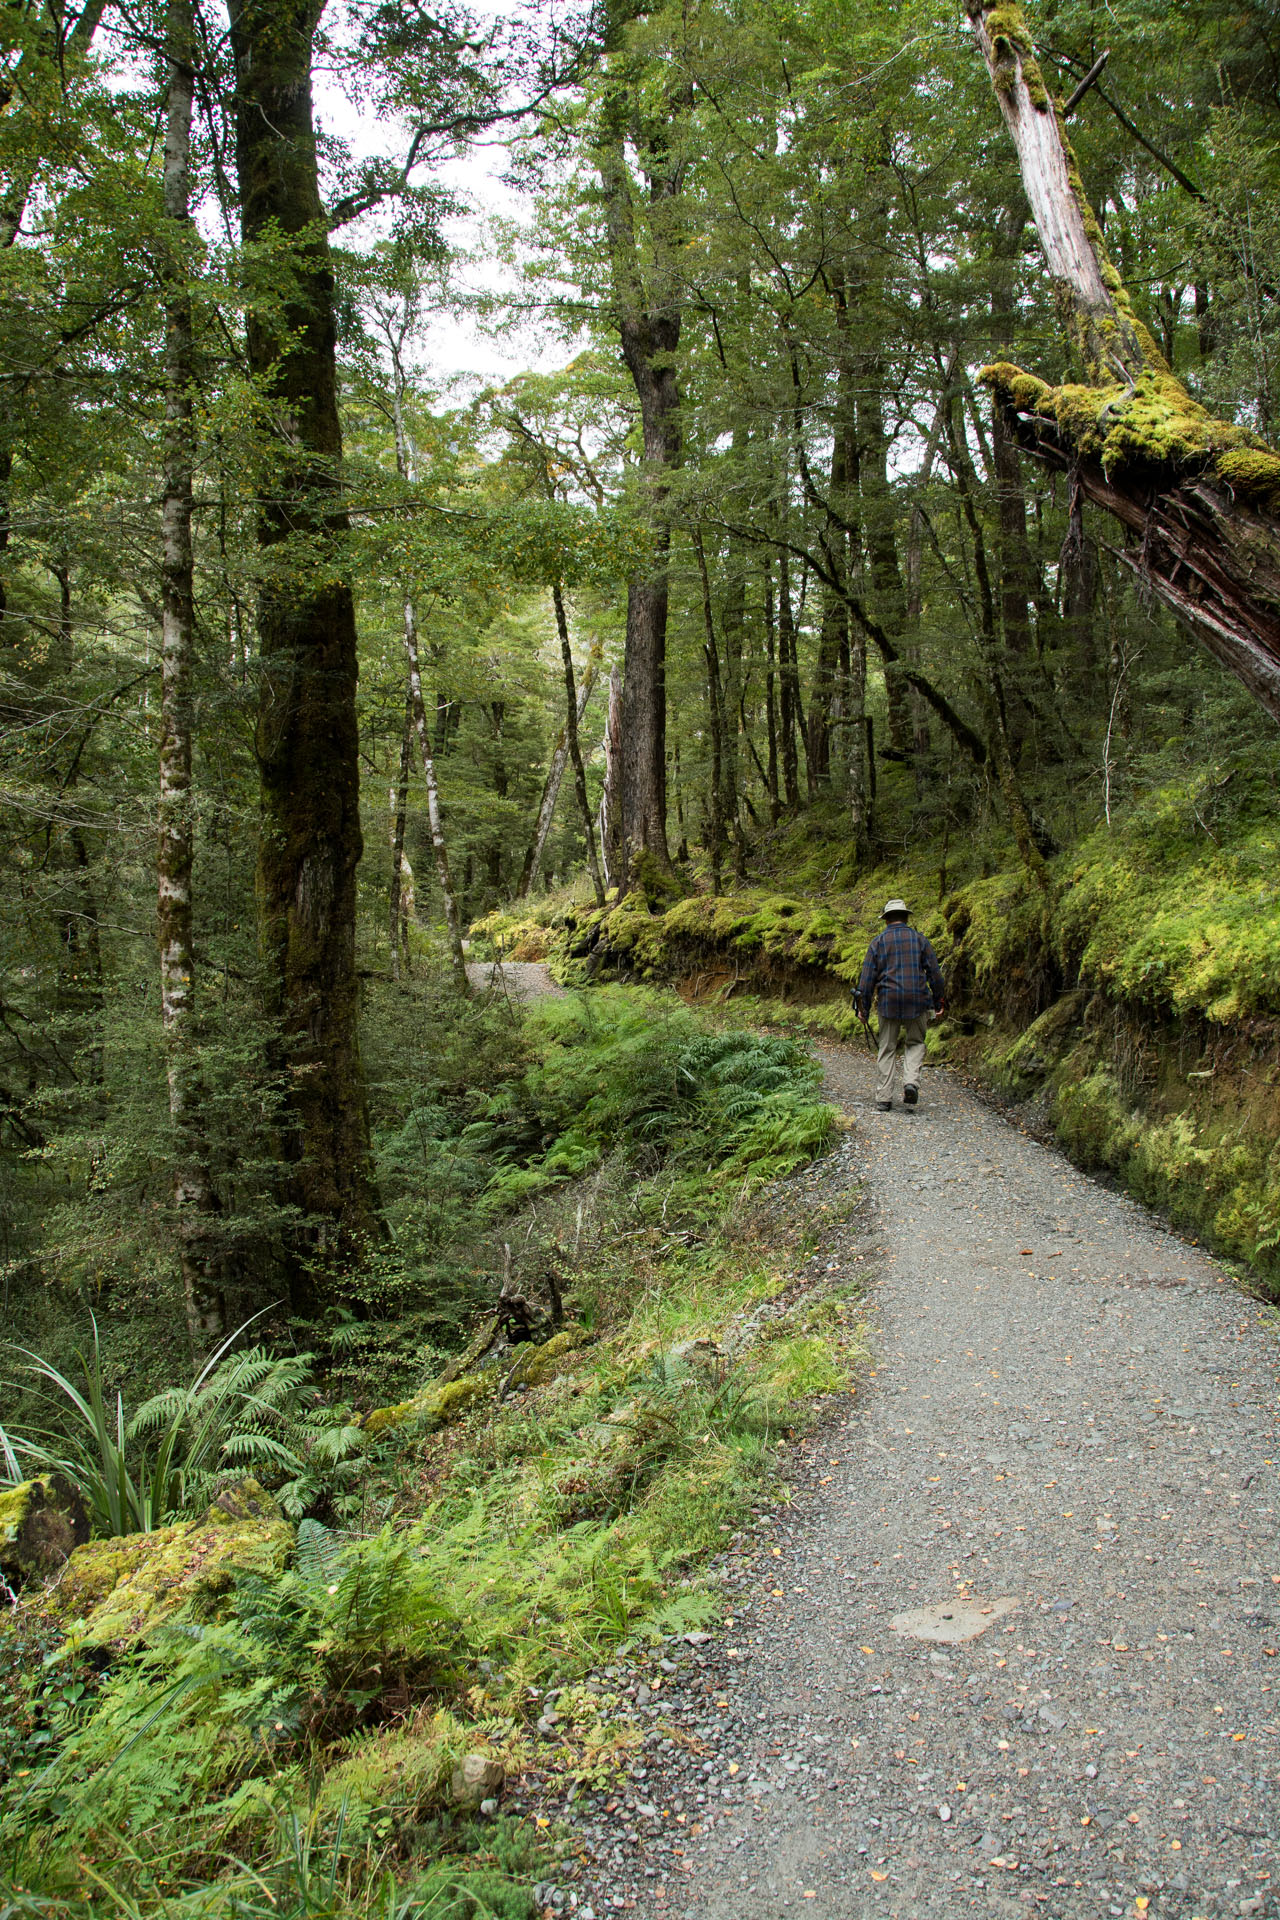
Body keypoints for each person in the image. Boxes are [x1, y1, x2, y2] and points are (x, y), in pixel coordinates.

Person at [854, 898, 946, 1111]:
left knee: (887, 1048)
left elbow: (866, 980)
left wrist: (863, 1008)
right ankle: (911, 1083)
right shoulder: (920, 940)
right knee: (915, 1043)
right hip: (918, 1000)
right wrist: (938, 1000)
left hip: (889, 1001)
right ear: (906, 917)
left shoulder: (877, 943)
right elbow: (935, 974)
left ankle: (884, 1097)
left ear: (886, 920)